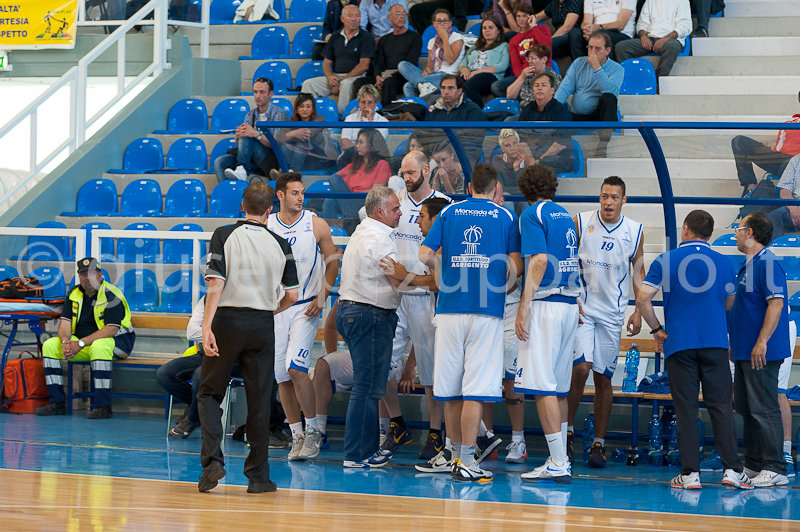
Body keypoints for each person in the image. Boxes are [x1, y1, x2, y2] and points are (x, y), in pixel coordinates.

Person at [419, 163, 522, 482]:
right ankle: (466, 460)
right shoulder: (505, 217)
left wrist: (447, 272)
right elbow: (514, 268)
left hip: (449, 310)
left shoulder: (449, 212)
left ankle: (452, 455)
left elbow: (424, 254)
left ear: (468, 186)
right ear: (495, 189)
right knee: (476, 389)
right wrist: (497, 283)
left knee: (448, 389)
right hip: (486, 313)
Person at [636, 210, 752, 491]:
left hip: (679, 343)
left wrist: (656, 330)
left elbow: (642, 298)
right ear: (710, 234)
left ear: (685, 230)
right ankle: (732, 471)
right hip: (714, 342)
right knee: (721, 407)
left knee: (686, 409)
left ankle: (690, 474)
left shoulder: (665, 260)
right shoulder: (724, 263)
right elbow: (729, 302)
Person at [197, 182, 299, 494]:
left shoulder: (224, 234)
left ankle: (214, 460)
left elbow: (216, 282)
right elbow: (293, 295)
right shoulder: (282, 243)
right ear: (270, 209)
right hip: (262, 323)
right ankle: (258, 478)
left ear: (243, 205)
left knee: (209, 393)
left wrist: (206, 326)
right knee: (259, 401)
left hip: (228, 319)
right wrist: (270, 311)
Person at [373, 151, 451, 459]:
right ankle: (396, 424)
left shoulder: (445, 206)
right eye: (402, 172)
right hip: (393, 296)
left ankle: (435, 433)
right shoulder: (395, 203)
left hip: (424, 298)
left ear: (426, 170)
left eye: (411, 172)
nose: (406, 177)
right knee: (381, 367)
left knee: (430, 373)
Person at [564, 176, 644, 468]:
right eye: (604, 196)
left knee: (603, 379)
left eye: (614, 197)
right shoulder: (581, 221)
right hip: (584, 309)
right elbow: (565, 260)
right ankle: (567, 435)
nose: (608, 202)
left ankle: (598, 443)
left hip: (612, 314)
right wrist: (570, 294)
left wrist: (638, 309)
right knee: (580, 369)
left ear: (624, 200)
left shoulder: (634, 231)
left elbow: (639, 272)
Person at [514, 165, 581, 484]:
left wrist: (523, 306)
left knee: (542, 387)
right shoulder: (565, 214)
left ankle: (558, 462)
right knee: (559, 388)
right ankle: (560, 458)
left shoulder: (532, 214)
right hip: (569, 304)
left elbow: (539, 261)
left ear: (525, 188)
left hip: (547, 305)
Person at [268, 173, 340, 461]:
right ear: (281, 195)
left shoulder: (316, 224)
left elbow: (332, 261)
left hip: (306, 307)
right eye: (295, 193)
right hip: (276, 308)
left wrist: (323, 296)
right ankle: (297, 434)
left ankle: (313, 431)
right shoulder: (268, 224)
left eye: (302, 193)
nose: (300, 197)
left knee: (297, 369)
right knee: (282, 376)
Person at [337, 187, 404, 468]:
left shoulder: (362, 233)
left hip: (353, 311)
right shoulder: (380, 240)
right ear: (380, 212)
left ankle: (360, 451)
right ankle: (357, 454)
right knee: (367, 388)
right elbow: (397, 280)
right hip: (370, 315)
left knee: (367, 387)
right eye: (395, 209)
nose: (401, 213)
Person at [730, 212, 791, 487]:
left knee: (764, 408)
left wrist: (762, 342)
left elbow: (775, 304)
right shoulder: (748, 265)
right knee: (747, 407)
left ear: (751, 233)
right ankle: (754, 464)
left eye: (739, 228)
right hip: (744, 350)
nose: (736, 232)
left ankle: (776, 467)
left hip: (761, 352)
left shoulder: (767, 263)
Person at [37, 258, 135, 419]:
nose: (86, 278)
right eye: (83, 274)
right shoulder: (74, 293)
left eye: (91, 273)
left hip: (118, 344)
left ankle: (103, 406)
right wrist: (65, 343)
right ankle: (57, 403)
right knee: (49, 345)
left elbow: (111, 329)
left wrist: (80, 343)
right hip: (85, 344)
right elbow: (65, 324)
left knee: (99, 346)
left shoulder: (112, 294)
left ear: (99, 274)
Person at [301, 5, 376, 116]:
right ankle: (309, 117)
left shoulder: (367, 37)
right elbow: (326, 62)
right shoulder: (335, 36)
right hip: (336, 76)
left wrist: (340, 81)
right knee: (309, 84)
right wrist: (330, 77)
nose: (354, 19)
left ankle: (342, 118)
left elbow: (364, 65)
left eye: (357, 16)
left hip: (356, 77)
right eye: (350, 16)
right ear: (342, 19)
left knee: (346, 84)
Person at [215, 78, 288, 183]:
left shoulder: (279, 114)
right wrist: (238, 137)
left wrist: (255, 134)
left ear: (270, 94)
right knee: (219, 162)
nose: (258, 96)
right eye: (255, 92)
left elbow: (277, 144)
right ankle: (229, 191)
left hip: (270, 159)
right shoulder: (250, 114)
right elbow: (243, 145)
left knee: (248, 135)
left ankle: (242, 168)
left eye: (262, 92)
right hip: (251, 158)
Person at [352, 5, 423, 107]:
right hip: (385, 75)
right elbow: (379, 62)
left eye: (404, 13)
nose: (402, 16)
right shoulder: (384, 40)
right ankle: (363, 112)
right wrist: (378, 77)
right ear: (389, 17)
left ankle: (386, 114)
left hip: (403, 76)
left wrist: (389, 77)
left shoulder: (415, 37)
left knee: (389, 82)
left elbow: (411, 63)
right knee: (359, 82)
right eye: (398, 13)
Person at [732, 93, 800, 197]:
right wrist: (766, 150)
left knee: (789, 165)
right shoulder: (788, 124)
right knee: (739, 141)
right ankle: (750, 188)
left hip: (796, 163)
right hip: (782, 160)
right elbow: (779, 149)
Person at [555, 32, 623, 129]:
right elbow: (564, 89)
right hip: (576, 116)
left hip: (599, 117)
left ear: (607, 51)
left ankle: (604, 141)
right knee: (556, 107)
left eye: (598, 48)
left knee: (609, 97)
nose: (593, 52)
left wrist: (597, 68)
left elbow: (610, 92)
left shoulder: (617, 69)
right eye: (590, 47)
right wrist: (552, 107)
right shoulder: (578, 63)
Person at [323, 129, 392, 220]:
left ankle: (351, 219)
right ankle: (332, 229)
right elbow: (335, 179)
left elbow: (375, 192)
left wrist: (351, 195)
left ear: (372, 145)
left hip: (367, 201)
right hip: (350, 200)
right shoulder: (356, 164)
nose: (357, 146)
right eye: (357, 142)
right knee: (329, 201)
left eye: (361, 142)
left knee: (338, 198)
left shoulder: (382, 164)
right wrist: (348, 196)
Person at [614, 0, 691, 79]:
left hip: (670, 39)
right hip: (650, 38)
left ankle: (659, 80)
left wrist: (665, 39)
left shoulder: (682, 1)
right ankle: (630, 79)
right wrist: (643, 37)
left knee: (673, 46)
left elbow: (685, 26)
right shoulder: (650, 1)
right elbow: (642, 23)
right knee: (621, 47)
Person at [398, 9, 466, 98]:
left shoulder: (457, 37)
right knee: (402, 64)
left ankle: (416, 109)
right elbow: (429, 67)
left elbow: (450, 60)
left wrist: (445, 39)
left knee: (408, 86)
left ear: (450, 23)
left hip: (448, 76)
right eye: (438, 21)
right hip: (434, 74)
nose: (442, 23)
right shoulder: (432, 41)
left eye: (445, 21)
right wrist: (419, 79)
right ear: (433, 23)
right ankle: (423, 85)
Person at [490, 4, 552, 98]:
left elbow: (546, 46)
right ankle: (525, 99)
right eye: (518, 16)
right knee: (496, 87)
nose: (521, 19)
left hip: (542, 72)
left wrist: (534, 27)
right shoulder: (514, 41)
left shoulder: (543, 29)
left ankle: (527, 97)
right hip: (524, 75)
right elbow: (516, 65)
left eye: (524, 16)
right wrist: (523, 77)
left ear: (531, 17)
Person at [518, 73, 573, 174]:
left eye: (543, 85)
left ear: (552, 90)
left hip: (555, 158)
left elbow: (561, 144)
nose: (539, 88)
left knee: (542, 167)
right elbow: (522, 139)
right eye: (536, 85)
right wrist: (530, 160)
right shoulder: (526, 110)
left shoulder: (561, 111)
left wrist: (539, 160)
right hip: (532, 157)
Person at [275, 93, 339, 173]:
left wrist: (291, 135)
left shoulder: (319, 119)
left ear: (313, 109)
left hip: (319, 159)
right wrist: (294, 133)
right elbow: (280, 137)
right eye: (301, 106)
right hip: (301, 160)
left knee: (303, 143)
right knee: (284, 145)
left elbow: (307, 135)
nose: (305, 109)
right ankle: (286, 170)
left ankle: (288, 172)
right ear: (297, 108)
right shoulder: (291, 121)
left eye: (308, 106)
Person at [457, 16, 510, 108]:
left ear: (498, 31)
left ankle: (480, 114)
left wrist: (478, 71)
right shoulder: (475, 46)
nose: (487, 30)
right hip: (470, 73)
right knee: (453, 85)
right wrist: (464, 70)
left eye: (491, 27)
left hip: (490, 75)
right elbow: (463, 63)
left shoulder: (504, 46)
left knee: (468, 87)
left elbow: (503, 66)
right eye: (484, 28)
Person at [571, 0, 635, 60]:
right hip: (596, 31)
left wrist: (598, 27)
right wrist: (587, 29)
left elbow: (621, 25)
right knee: (575, 33)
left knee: (601, 36)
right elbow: (586, 21)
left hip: (620, 33)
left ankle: (607, 70)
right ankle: (581, 68)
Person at [340, 85, 390, 153]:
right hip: (352, 156)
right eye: (363, 102)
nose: (366, 105)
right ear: (359, 103)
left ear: (375, 104)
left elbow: (377, 146)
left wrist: (370, 120)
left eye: (370, 102)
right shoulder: (350, 118)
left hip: (372, 159)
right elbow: (345, 145)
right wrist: (364, 149)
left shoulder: (383, 121)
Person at [767, 155, 800, 240]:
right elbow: (785, 190)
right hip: (796, 207)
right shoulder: (795, 160)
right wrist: (792, 207)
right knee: (772, 218)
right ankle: (774, 250)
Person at [409, 0, 485, 33]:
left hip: (473, 4)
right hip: (452, 3)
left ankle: (460, 20)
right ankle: (431, 34)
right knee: (415, 10)